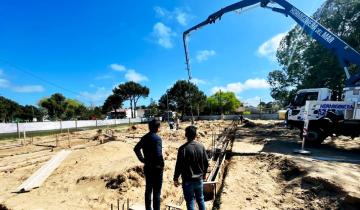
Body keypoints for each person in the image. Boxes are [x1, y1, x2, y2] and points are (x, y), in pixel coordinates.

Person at [173, 126, 209, 210]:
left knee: (190, 201)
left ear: (186, 135)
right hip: (199, 179)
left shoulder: (182, 149)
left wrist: (175, 178)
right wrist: (204, 174)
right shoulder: (201, 146)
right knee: (200, 199)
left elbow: (179, 165)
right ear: (196, 135)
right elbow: (206, 163)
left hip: (187, 181)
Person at [134, 119, 164, 210]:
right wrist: (162, 164)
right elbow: (159, 154)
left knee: (148, 190)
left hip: (148, 167)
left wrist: (142, 160)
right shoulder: (157, 139)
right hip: (156, 168)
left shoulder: (144, 137)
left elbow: (136, 148)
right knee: (157, 192)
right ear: (157, 128)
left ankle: (148, 208)